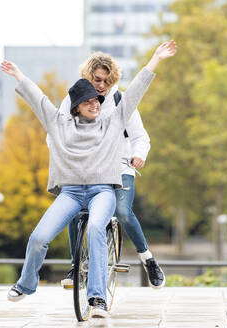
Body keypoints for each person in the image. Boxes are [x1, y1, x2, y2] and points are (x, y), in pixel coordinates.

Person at [2, 40, 177, 320]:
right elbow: (38, 100)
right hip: (70, 192)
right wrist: (19, 75)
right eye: (89, 101)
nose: (96, 102)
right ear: (75, 106)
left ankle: (98, 298)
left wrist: (155, 58)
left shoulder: (112, 121)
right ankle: (26, 284)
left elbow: (136, 93)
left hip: (102, 190)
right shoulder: (60, 122)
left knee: (97, 227)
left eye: (98, 99)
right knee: (38, 237)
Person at [59, 52, 165, 290]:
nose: (101, 86)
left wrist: (139, 155)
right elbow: (55, 133)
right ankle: (77, 265)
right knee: (75, 211)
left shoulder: (120, 101)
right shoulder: (72, 100)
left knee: (123, 212)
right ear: (88, 77)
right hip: (87, 167)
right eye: (97, 79)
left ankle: (147, 259)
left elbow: (140, 137)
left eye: (106, 81)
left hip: (119, 166)